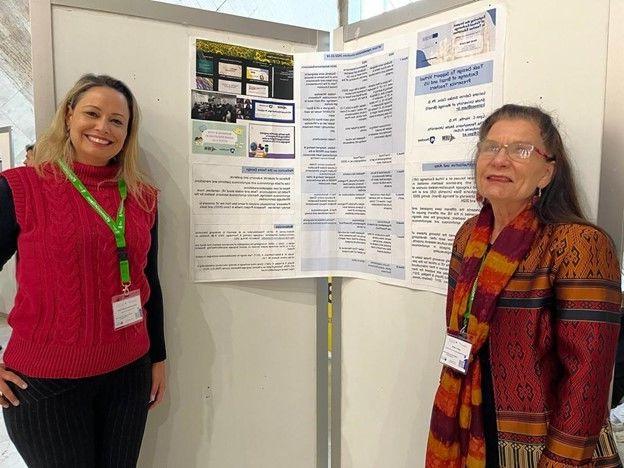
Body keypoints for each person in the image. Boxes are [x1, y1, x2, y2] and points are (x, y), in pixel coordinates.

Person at [426, 104, 621, 467]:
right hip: (474, 426)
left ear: (547, 172)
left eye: (520, 150)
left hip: (545, 444)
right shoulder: (469, 236)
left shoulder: (577, 244)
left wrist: (560, 461)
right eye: (491, 147)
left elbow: (588, 379)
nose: (500, 160)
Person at [0, 74, 166, 467]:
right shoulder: (22, 187)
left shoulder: (142, 196)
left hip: (129, 374)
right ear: (69, 116)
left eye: (116, 121)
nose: (102, 128)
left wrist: (157, 357)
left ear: (128, 132)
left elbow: (149, 283)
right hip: (44, 385)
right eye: (92, 113)